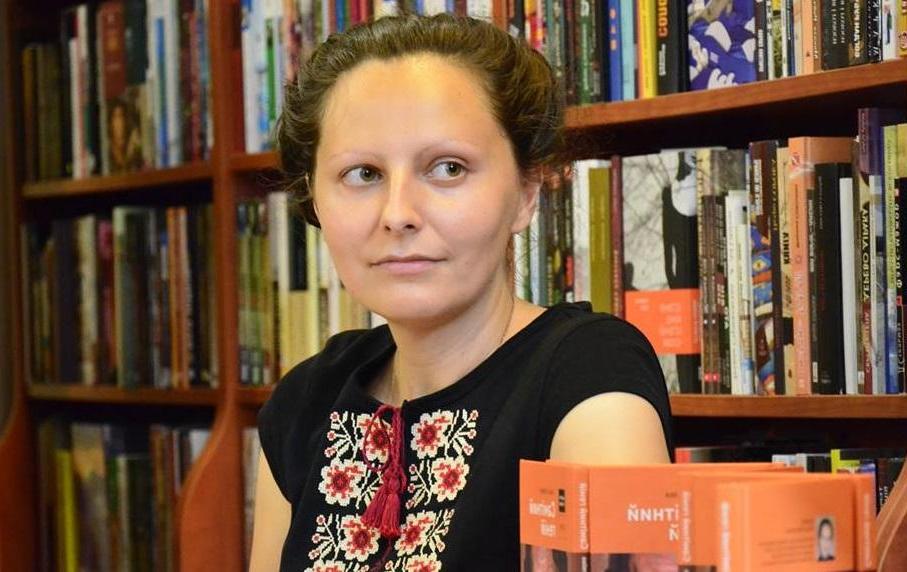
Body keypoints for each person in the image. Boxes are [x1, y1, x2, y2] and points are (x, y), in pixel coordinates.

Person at [249, 13, 674, 571]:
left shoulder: (589, 373)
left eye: (448, 168)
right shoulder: (307, 397)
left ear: (526, 192)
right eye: (363, 174)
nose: (398, 213)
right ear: (315, 200)